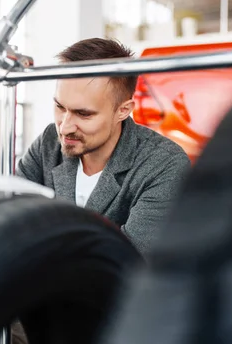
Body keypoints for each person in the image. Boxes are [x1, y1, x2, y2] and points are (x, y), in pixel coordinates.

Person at [17, 37, 191, 255]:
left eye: (84, 114)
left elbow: (127, 263)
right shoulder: (49, 142)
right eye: (60, 107)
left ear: (123, 110)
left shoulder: (165, 165)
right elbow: (11, 222)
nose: (65, 128)